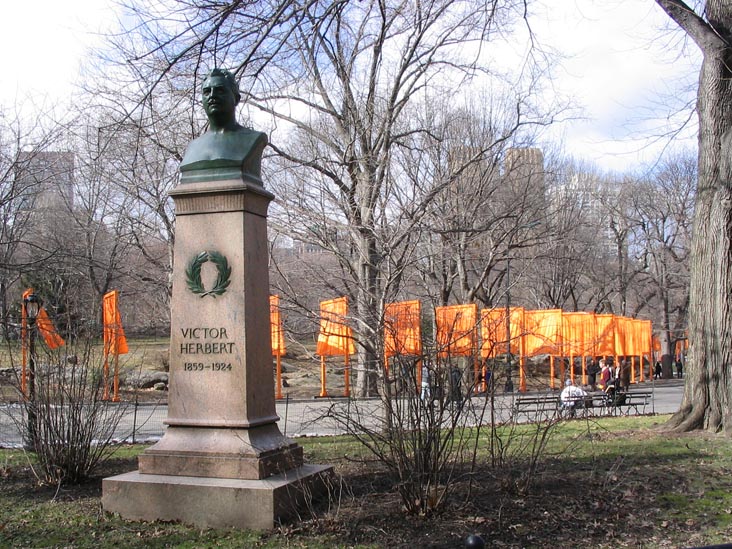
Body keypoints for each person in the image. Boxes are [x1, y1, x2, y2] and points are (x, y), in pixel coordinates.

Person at [180, 68, 268, 183]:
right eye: (207, 92)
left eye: (220, 90)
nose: (212, 96)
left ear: (236, 99)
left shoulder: (253, 140)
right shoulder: (193, 146)